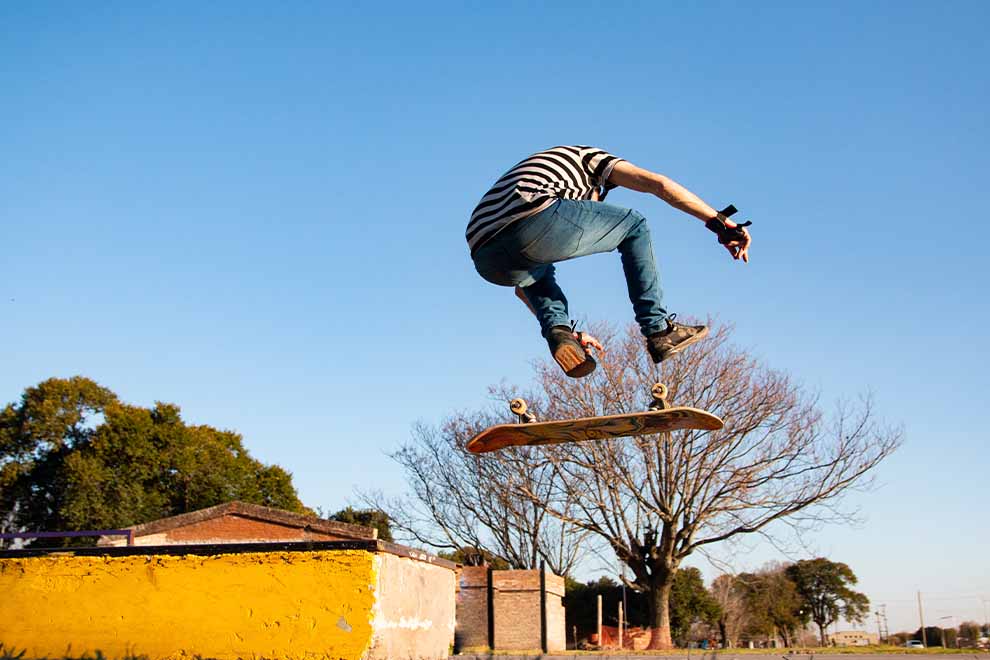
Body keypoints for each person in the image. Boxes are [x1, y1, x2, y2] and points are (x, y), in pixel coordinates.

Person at [467, 145, 752, 378]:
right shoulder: (590, 160)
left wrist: (569, 330)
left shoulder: (545, 173)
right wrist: (722, 224)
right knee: (633, 225)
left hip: (485, 255)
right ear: (598, 191)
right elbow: (659, 184)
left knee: (537, 275)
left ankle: (561, 334)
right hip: (534, 218)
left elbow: (521, 288)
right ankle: (659, 329)